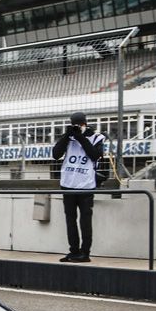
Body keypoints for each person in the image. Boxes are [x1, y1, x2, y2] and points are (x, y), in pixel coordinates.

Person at [52, 112, 106, 263]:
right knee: (70, 220)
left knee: (85, 220)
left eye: (79, 125)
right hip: (68, 184)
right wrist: (66, 136)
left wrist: (81, 137)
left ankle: (85, 252)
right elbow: (56, 154)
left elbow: (95, 155)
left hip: (86, 186)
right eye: (74, 124)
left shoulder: (96, 137)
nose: (77, 127)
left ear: (85, 124)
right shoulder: (68, 138)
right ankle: (73, 251)